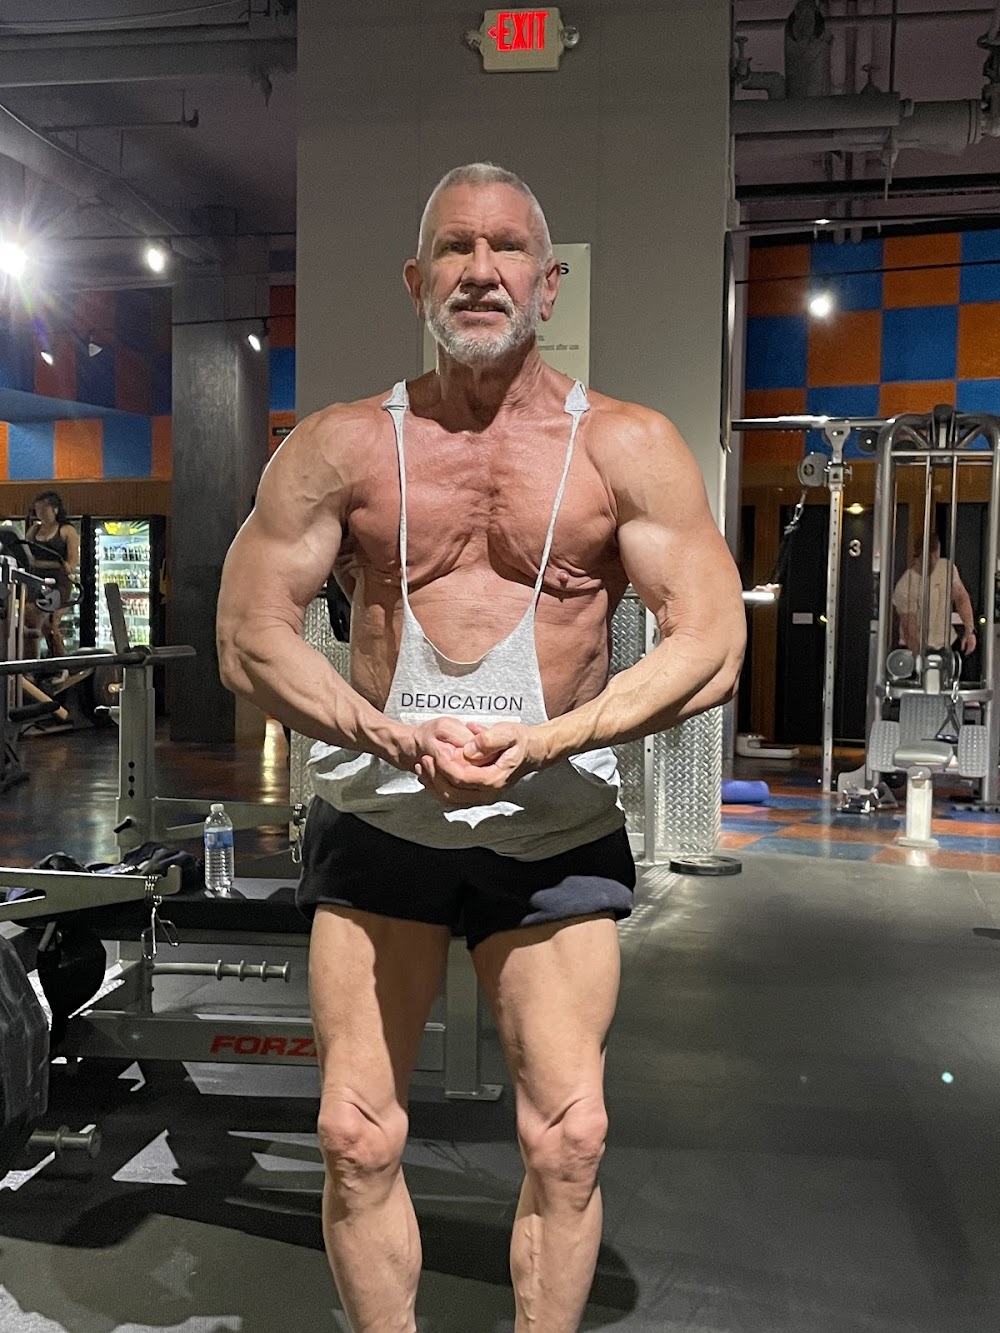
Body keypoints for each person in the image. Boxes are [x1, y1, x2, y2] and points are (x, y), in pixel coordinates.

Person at [217, 162, 745, 1333]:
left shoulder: (627, 445)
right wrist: (386, 735)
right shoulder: (343, 443)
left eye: (507, 248)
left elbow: (710, 644)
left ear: (549, 284)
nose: (480, 268)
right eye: (454, 247)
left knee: (570, 1138)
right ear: (416, 281)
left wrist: (550, 740)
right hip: (379, 821)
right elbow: (248, 637)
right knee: (353, 1135)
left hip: (553, 828)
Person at [892, 531, 976, 660]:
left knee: (960, 666)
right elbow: (909, 629)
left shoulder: (946, 568)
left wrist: (969, 630)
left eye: (936, 556)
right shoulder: (905, 585)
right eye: (930, 557)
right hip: (917, 646)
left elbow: (961, 597)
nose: (934, 561)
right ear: (919, 555)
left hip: (947, 642)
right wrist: (920, 657)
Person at [23, 491, 80, 662]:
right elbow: (24, 554)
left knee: (39, 617)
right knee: (39, 623)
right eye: (37, 510)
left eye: (44, 509)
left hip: (58, 584)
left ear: (55, 510)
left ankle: (53, 663)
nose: (40, 513)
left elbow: (71, 564)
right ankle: (38, 661)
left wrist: (44, 564)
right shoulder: (34, 530)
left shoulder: (67, 531)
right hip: (35, 582)